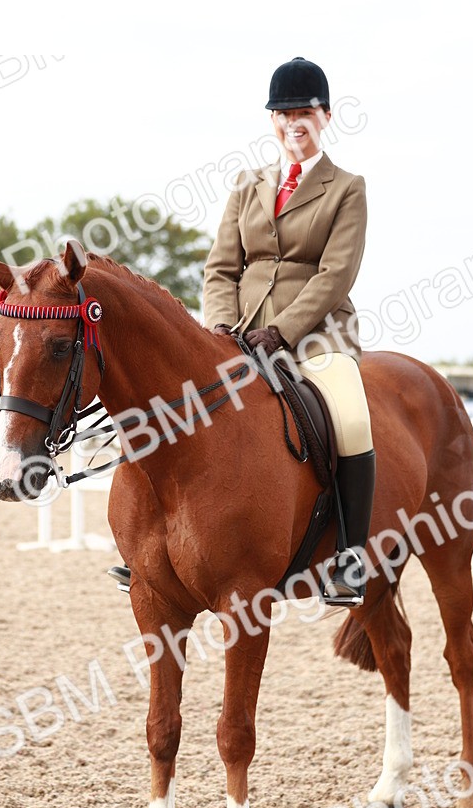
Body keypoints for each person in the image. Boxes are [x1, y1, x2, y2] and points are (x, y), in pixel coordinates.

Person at [109, 57, 375, 606]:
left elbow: (336, 274)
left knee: (350, 415)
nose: (293, 123)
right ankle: (148, 548)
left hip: (318, 333)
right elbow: (220, 266)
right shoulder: (247, 184)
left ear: (325, 116)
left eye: (304, 112)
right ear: (272, 121)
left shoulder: (347, 188)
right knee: (173, 405)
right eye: (283, 114)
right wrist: (220, 325)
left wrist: (283, 329)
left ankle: (349, 556)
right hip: (240, 332)